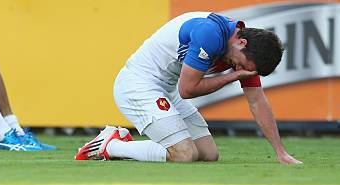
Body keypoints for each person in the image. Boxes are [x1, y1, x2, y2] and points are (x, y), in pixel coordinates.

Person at [76, 12, 301, 164]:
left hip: (167, 88)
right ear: (242, 42)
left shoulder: (242, 53)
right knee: (184, 154)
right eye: (241, 65)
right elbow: (188, 89)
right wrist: (234, 75)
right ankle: (111, 145)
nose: (240, 69)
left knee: (208, 154)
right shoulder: (210, 34)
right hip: (139, 84)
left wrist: (280, 152)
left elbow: (257, 102)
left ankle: (117, 143)